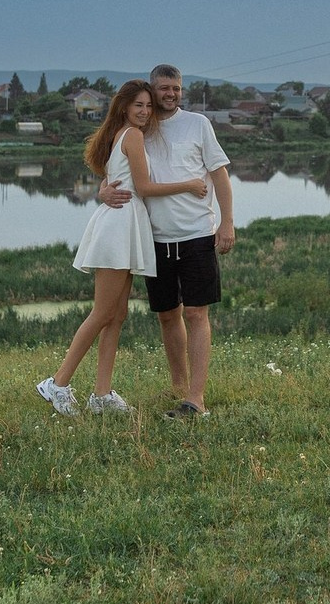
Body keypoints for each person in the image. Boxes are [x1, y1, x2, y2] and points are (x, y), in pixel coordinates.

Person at [37, 80, 208, 417]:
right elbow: (143, 187)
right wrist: (189, 184)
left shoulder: (124, 134)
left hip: (126, 224)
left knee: (117, 316)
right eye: (138, 105)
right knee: (103, 313)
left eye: (148, 106)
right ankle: (57, 383)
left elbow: (122, 180)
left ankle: (101, 395)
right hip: (118, 228)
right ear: (124, 107)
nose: (145, 111)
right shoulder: (132, 135)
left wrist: (104, 188)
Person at [99, 64, 234, 417]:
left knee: (196, 313)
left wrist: (227, 223)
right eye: (163, 88)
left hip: (196, 233)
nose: (170, 94)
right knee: (167, 316)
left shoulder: (197, 124)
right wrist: (102, 191)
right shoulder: (138, 129)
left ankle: (195, 399)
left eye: (175, 88)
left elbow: (220, 175)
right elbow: (116, 171)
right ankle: (178, 387)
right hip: (154, 238)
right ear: (152, 89)